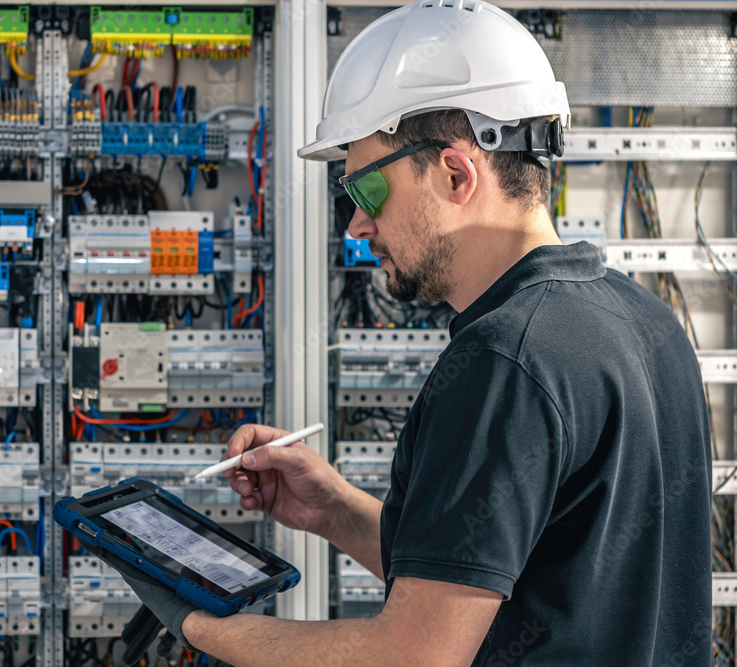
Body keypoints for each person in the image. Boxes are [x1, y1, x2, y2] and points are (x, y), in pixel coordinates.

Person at [113, 2, 712, 664]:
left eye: (366, 193)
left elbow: (410, 655)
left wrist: (198, 621)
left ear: (456, 174)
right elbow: (498, 578)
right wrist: (337, 510)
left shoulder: (506, 359)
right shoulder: (643, 318)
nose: (355, 227)